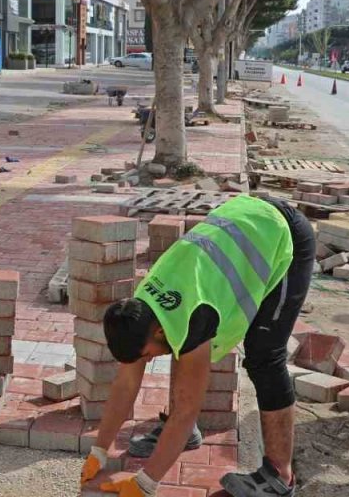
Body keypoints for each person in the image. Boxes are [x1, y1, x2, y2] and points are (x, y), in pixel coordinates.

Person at [80, 194, 315, 497]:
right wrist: (99, 449)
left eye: (147, 355)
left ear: (156, 333)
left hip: (283, 235)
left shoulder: (194, 315)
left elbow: (189, 408)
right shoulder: (140, 312)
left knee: (264, 356)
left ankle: (280, 477)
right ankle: (183, 438)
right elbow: (126, 382)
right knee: (184, 346)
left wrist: (145, 482)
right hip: (243, 221)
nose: (147, 361)